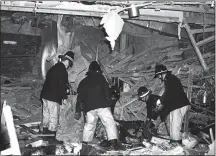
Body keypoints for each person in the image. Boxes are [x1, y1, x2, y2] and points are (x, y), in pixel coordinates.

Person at [74, 61, 121, 150]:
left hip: (89, 107)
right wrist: (110, 102)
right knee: (109, 122)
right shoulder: (101, 78)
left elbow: (80, 98)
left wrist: (78, 110)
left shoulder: (83, 82)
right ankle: (113, 142)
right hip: (102, 105)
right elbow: (107, 92)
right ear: (98, 70)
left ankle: (85, 143)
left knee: (89, 124)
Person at [40, 51, 74, 144]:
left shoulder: (53, 68)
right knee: (54, 117)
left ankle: (45, 133)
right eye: (69, 65)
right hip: (53, 97)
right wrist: (64, 98)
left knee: (46, 115)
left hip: (45, 95)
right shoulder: (63, 71)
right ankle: (51, 138)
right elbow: (62, 86)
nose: (68, 67)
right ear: (67, 62)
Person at [154, 64, 191, 143]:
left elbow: (168, 93)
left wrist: (160, 100)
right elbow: (170, 96)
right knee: (172, 127)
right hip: (176, 105)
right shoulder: (169, 79)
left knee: (175, 127)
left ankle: (177, 145)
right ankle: (174, 142)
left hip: (179, 105)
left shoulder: (170, 79)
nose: (158, 77)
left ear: (161, 73)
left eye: (158, 76)